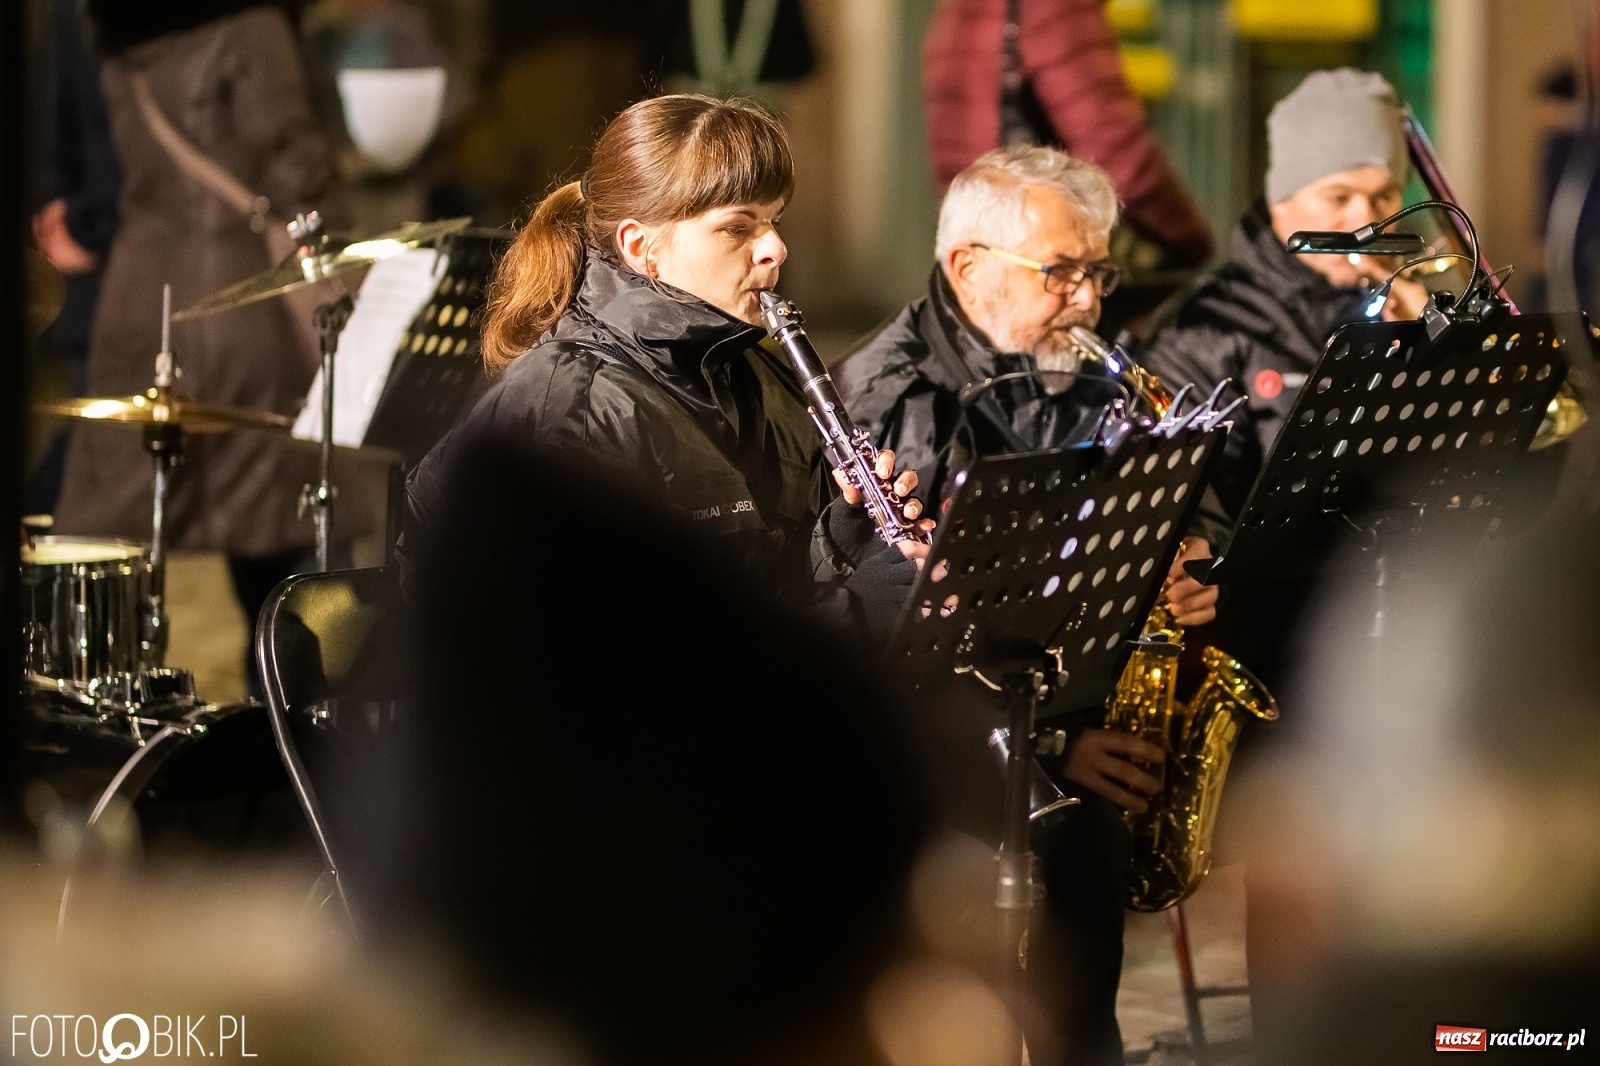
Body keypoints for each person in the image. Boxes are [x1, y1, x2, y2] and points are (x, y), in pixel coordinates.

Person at [835, 143, 1220, 1066]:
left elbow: (1177, 487)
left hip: (1059, 714)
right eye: (1061, 272)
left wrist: (1192, 549)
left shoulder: (1072, 360)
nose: (1088, 300)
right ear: (968, 267)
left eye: (1099, 273)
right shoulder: (887, 403)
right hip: (948, 758)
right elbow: (895, 647)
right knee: (1078, 851)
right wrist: (1052, 748)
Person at [401, 93, 931, 637]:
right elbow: (639, 650)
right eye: (737, 227)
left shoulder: (756, 372)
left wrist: (841, 541)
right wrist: (857, 614)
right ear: (641, 247)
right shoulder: (574, 411)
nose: (775, 248)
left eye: (773, 220)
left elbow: (757, 581)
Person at [55, 0, 344, 658]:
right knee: (277, 542)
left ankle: (106, 695)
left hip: (140, 298)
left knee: (117, 540)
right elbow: (293, 160)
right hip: (243, 303)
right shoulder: (249, 25)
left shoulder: (121, 33)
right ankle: (281, 709)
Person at [1140, 68, 1425, 516]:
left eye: (1384, 197)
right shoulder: (1204, 329)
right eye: (1338, 198)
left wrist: (1434, 354)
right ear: (1281, 201)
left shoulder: (1414, 303)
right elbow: (1197, 512)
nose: (1366, 222)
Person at [921, 0, 1212, 268]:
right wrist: (1190, 240)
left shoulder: (956, 10)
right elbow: (1117, 152)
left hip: (985, 242)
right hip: (1046, 250)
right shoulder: (1055, 8)